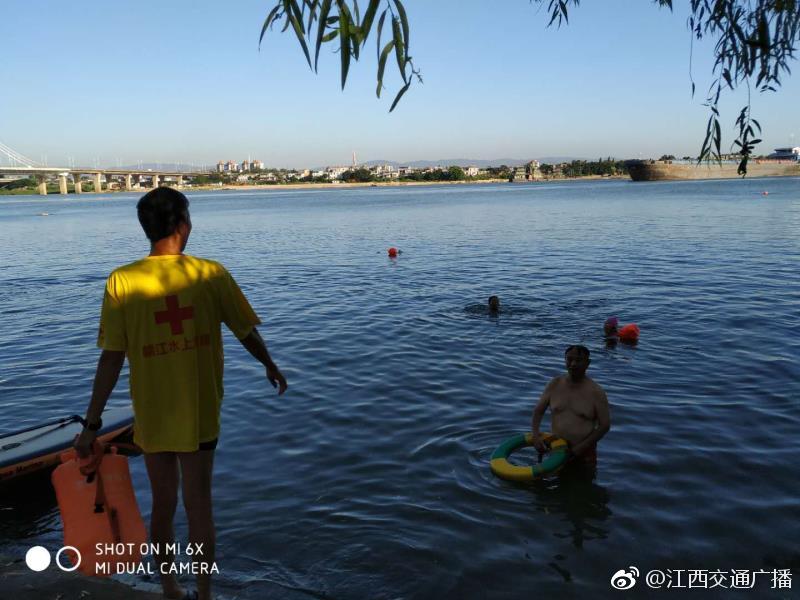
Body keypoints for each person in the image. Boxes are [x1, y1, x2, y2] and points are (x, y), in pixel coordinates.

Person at [75, 187, 287, 600]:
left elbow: (111, 358)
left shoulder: (122, 280)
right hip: (199, 408)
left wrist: (92, 424)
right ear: (182, 225)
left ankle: (170, 587)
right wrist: (270, 364)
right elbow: (245, 330)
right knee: (199, 505)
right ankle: (203, 592)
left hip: (152, 411)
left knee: (163, 503)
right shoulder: (210, 274)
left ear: (147, 228)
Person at [531, 345, 610, 468]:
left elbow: (604, 425)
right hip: (557, 448)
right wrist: (535, 437)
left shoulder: (596, 392)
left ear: (588, 363)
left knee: (583, 479)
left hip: (584, 452)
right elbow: (538, 411)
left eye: (578, 360)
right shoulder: (554, 384)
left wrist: (580, 448)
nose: (573, 364)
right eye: (569, 359)